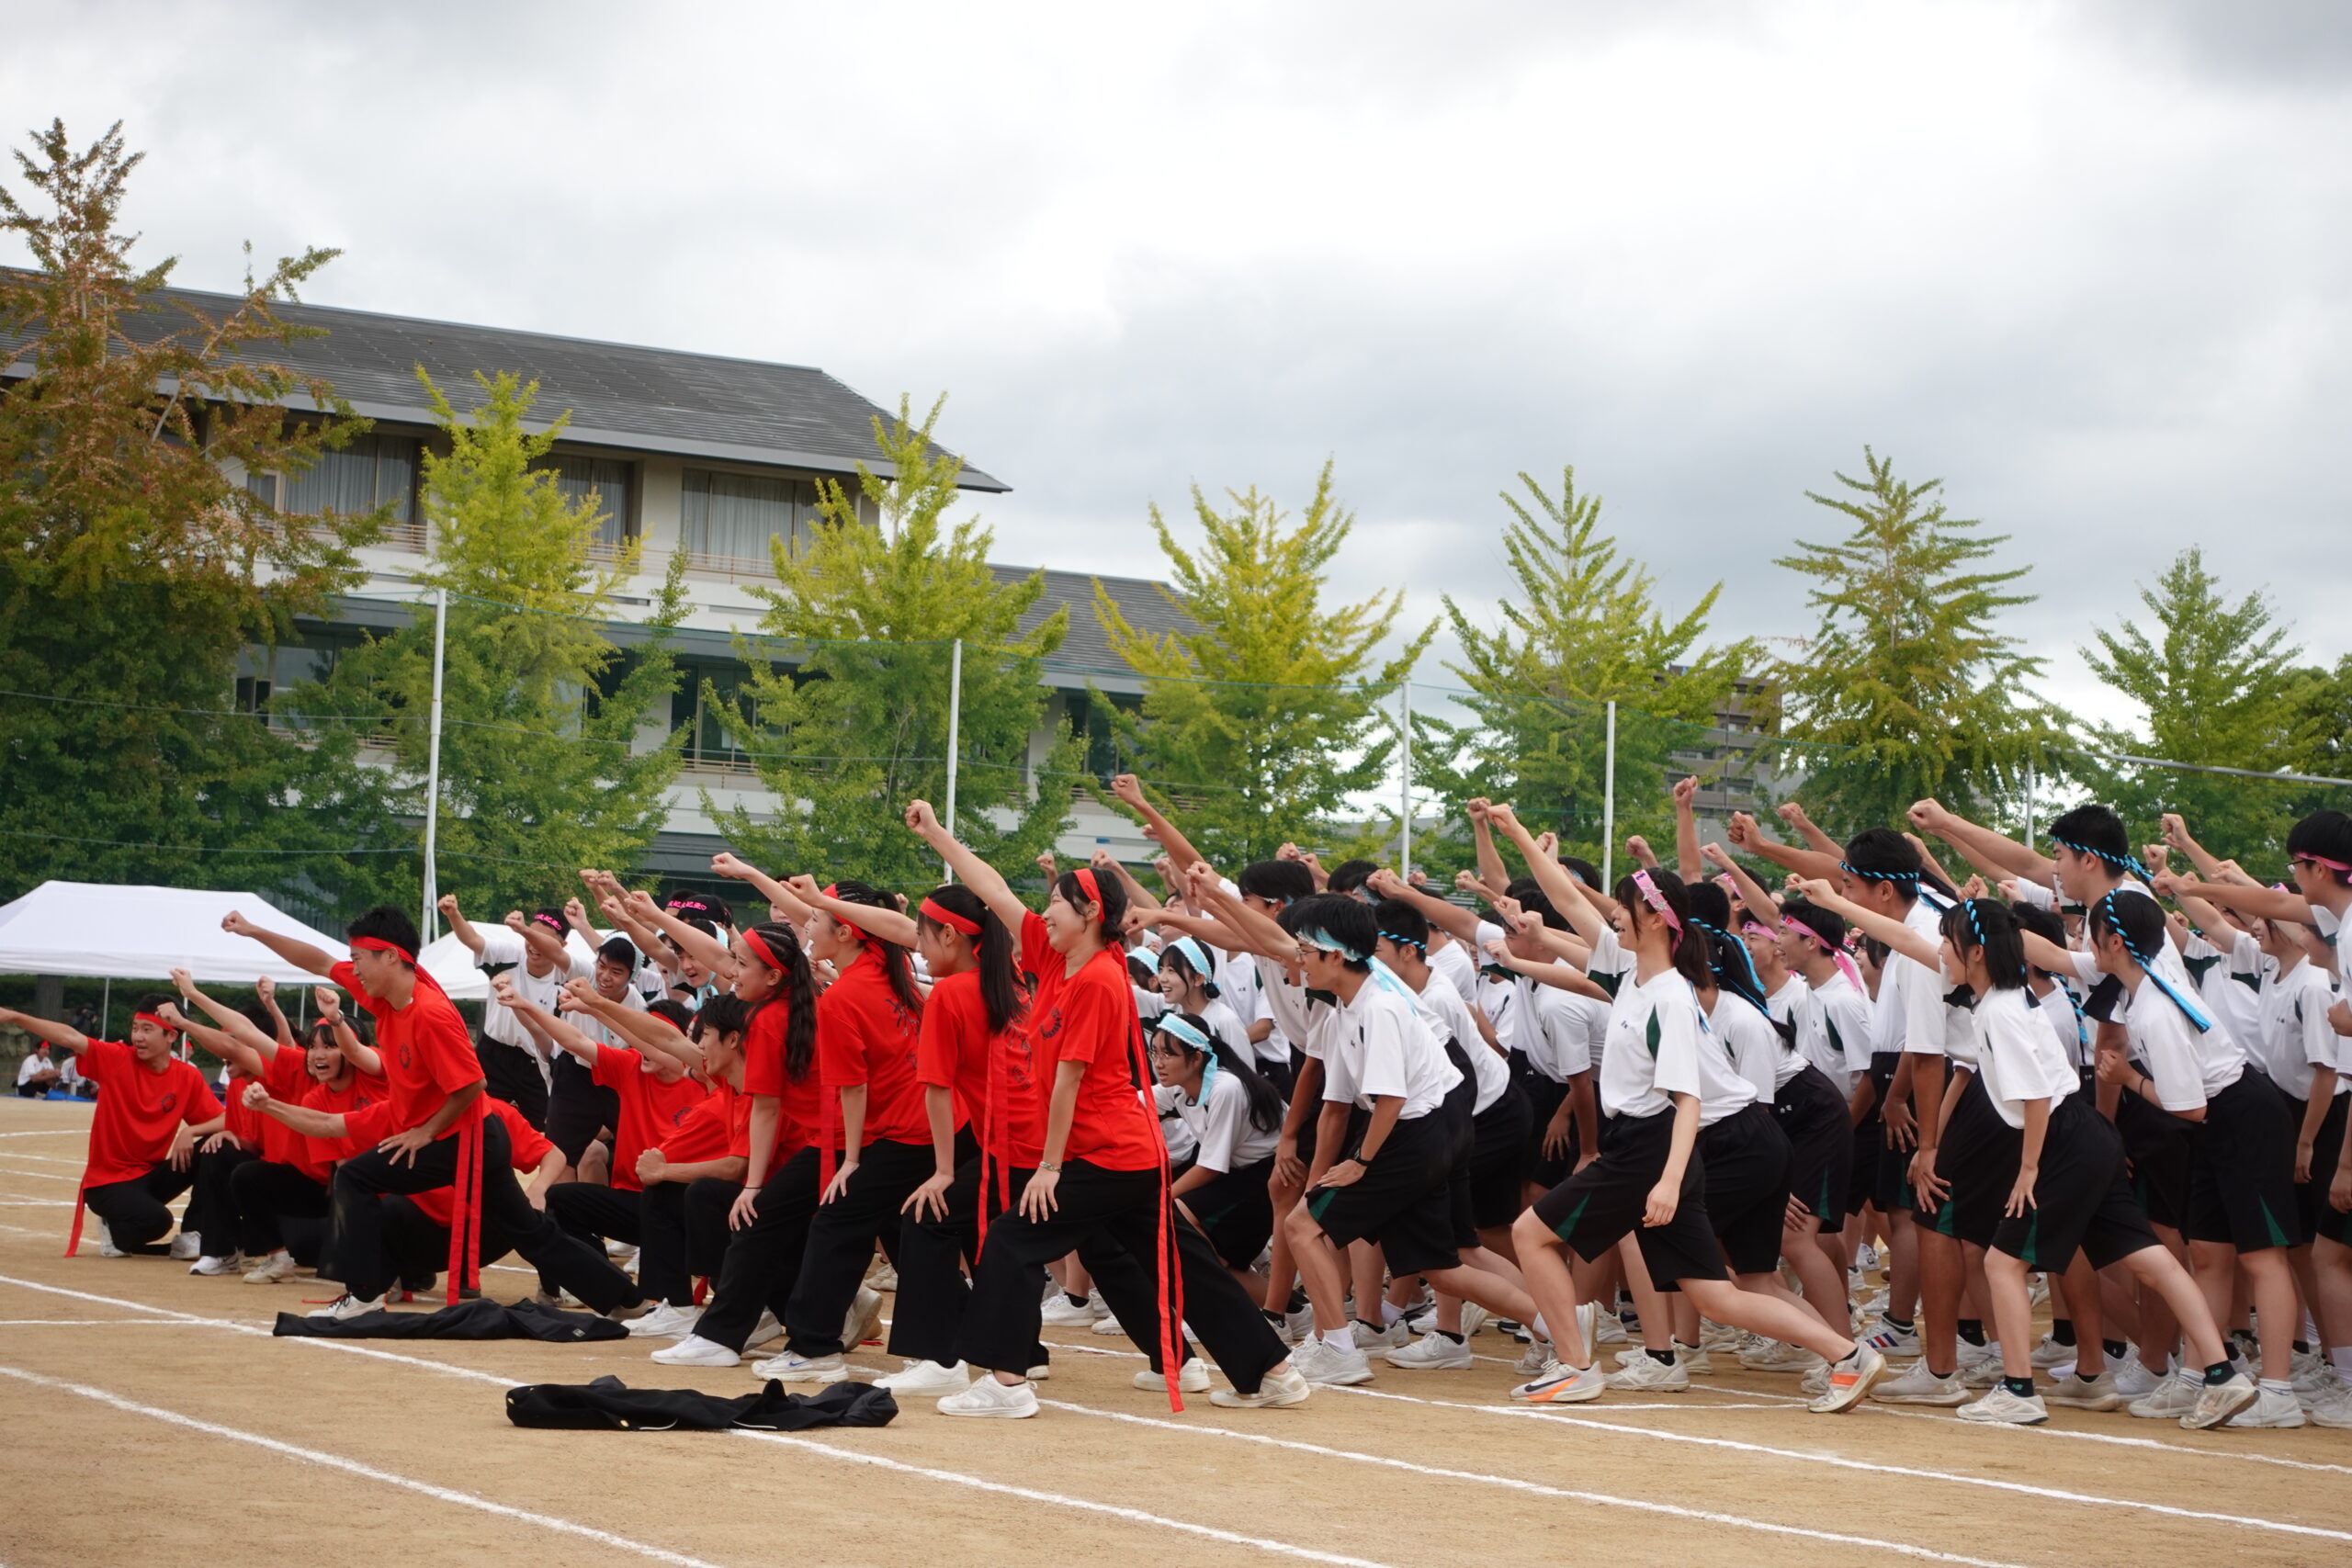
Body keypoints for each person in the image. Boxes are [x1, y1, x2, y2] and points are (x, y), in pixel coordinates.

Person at [908, 798, 1306, 1417]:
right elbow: (992, 889)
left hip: (1109, 1152)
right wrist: (937, 834)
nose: (1043, 913)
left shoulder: (1099, 978)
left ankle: (1007, 1383)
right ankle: (1273, 1371)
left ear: (1091, 912)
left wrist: (1048, 1167)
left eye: (1056, 904)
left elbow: (1068, 1081)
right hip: (1123, 1153)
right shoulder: (1055, 957)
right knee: (1184, 1264)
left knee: (1012, 1238)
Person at [1486, 805, 1886, 1413]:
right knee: (1716, 1295)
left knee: (1529, 1232)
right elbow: (1565, 897)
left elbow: (1687, 1099)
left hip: (1651, 1146)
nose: (1611, 914)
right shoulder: (1633, 971)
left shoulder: (1669, 996)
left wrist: (1670, 1180)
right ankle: (1847, 1354)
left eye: (1624, 906)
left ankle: (1575, 1365)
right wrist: (1515, 831)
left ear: (1653, 918)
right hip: (1662, 1144)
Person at [224, 903, 644, 1321]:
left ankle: (364, 1294)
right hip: (467, 1135)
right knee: (531, 1233)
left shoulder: (430, 1013)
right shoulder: (387, 997)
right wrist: (253, 930)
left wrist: (425, 1132)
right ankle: (626, 1300)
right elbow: (317, 960)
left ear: (391, 957)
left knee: (354, 1176)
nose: (354, 969)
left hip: (463, 1137)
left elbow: (473, 1085)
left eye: (359, 959)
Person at [870, 881, 1050, 1398]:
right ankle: (1022, 1353)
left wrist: (944, 1172)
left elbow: (937, 1089)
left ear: (950, 935)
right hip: (1044, 1143)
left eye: (923, 936)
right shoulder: (1009, 977)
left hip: (1016, 1149)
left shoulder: (951, 993)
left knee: (926, 1217)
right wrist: (818, 903)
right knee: (997, 1241)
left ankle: (942, 1356)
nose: (917, 947)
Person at [756, 879, 931, 1384]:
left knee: (835, 1222)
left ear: (848, 933)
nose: (806, 927)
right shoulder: (885, 963)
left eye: (814, 920)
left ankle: (814, 1348)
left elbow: (853, 1089)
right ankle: (973, 1340)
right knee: (904, 1231)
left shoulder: (845, 995)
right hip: (921, 1125)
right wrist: (753, 876)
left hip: (899, 1129)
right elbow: (844, 921)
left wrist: (850, 1160)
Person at [650, 909, 828, 1370]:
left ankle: (732, 1336)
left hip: (839, 1142)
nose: (730, 970)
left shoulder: (767, 1020)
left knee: (755, 1216)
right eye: (733, 960)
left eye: (741, 963)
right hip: (844, 1140)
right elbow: (668, 1039)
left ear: (773, 976)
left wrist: (752, 1186)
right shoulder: (793, 1004)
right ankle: (796, 1330)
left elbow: (767, 1108)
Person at [492, 979, 711, 1305]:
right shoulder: (631, 1067)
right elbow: (576, 1041)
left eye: (650, 1037)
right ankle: (609, 1284)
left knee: (662, 1192)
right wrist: (525, 1005)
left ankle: (667, 1301)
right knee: (561, 1199)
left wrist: (596, 1005)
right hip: (633, 1200)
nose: (641, 1046)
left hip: (680, 1204)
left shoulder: (703, 1082)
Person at [0, 998, 220, 1258]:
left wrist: (191, 1131)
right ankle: (113, 1229)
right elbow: (70, 1037)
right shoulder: (117, 1058)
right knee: (158, 1221)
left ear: (171, 1035)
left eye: (147, 1029)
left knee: (216, 1148)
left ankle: (194, 1234)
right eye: (135, 1028)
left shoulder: (187, 1076)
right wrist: (15, 1017)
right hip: (107, 1183)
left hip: (149, 1176)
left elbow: (227, 1119)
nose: (137, 1036)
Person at [440, 895, 580, 1128]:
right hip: (494, 1054)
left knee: (543, 1128)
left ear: (562, 946)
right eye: (530, 935)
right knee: (479, 1120)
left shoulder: (567, 981)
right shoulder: (508, 956)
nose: (534, 945)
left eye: (545, 940)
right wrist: (453, 914)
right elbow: (472, 940)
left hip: (536, 1062)